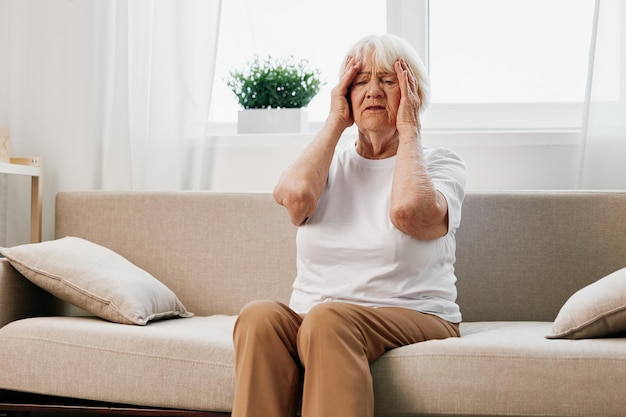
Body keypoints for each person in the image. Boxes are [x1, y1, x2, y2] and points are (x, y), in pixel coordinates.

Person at [231, 33, 466, 417]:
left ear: (413, 94)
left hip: (415, 313)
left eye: (389, 81)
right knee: (259, 317)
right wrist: (335, 122)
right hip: (318, 317)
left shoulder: (439, 165)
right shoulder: (329, 164)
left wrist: (410, 129)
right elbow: (292, 199)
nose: (373, 90)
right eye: (360, 81)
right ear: (345, 93)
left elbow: (409, 211)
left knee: (327, 319)